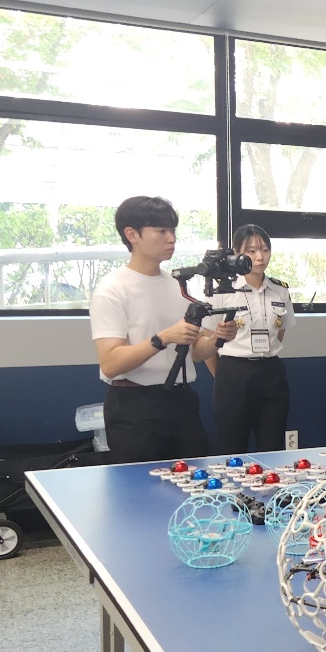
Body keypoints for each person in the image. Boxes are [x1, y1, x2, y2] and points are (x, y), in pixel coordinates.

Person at [89, 196, 235, 465]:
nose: (171, 239)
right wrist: (163, 338)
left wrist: (218, 338)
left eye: (173, 231)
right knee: (141, 486)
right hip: (134, 405)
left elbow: (196, 352)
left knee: (194, 481)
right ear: (132, 234)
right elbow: (110, 363)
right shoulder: (113, 289)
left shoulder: (178, 285)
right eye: (161, 231)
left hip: (182, 401)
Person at [209, 223, 293, 453]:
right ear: (237, 253)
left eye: (265, 250)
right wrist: (224, 375)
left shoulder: (280, 290)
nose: (259, 257)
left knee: (273, 445)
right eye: (252, 251)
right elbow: (208, 340)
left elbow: (281, 331)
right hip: (233, 372)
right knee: (232, 447)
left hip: (271, 371)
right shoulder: (222, 290)